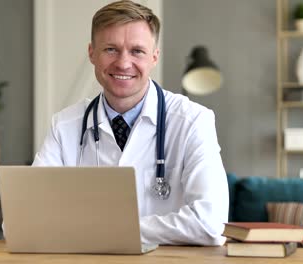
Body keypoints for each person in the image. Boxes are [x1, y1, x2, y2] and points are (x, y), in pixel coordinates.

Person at [33, 0, 228, 246]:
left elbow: (211, 223)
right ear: (92, 53)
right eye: (111, 49)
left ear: (154, 57)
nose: (123, 63)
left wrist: (108, 231)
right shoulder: (65, 126)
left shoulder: (193, 121)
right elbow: (26, 220)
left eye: (137, 51)